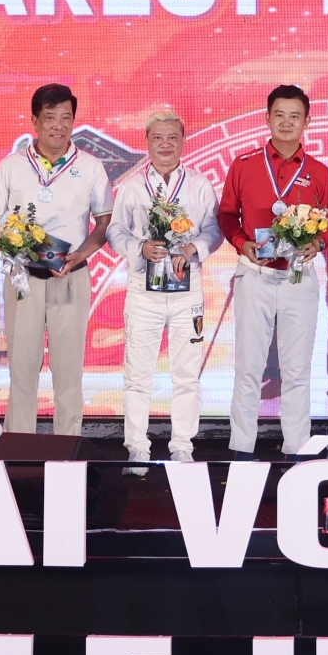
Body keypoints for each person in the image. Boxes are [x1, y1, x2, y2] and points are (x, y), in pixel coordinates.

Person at [0, 83, 113, 435]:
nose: (58, 125)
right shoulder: (11, 166)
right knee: (22, 370)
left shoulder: (91, 167)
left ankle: (67, 450)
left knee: (68, 372)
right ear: (35, 121)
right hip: (24, 281)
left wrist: (81, 254)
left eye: (66, 117)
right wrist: (11, 254)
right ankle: (19, 448)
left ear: (73, 121)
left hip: (71, 277)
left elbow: (104, 223)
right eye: (50, 117)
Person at [217, 85, 328, 459]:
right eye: (279, 115)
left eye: (294, 116)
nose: (286, 122)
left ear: (307, 121)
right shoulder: (244, 164)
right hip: (255, 276)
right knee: (249, 367)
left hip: (299, 277)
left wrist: (318, 244)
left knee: (297, 370)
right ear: (267, 118)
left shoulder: (318, 172)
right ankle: (241, 450)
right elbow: (226, 214)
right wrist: (241, 242)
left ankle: (297, 450)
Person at [107, 109, 223, 466]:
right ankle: (137, 447)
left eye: (173, 137)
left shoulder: (199, 184)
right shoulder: (131, 186)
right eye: (158, 137)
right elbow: (115, 231)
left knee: (187, 374)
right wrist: (139, 247)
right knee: (137, 375)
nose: (165, 144)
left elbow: (214, 230)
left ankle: (183, 445)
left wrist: (193, 249)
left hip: (188, 291)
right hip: (144, 292)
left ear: (183, 141)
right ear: (147, 142)